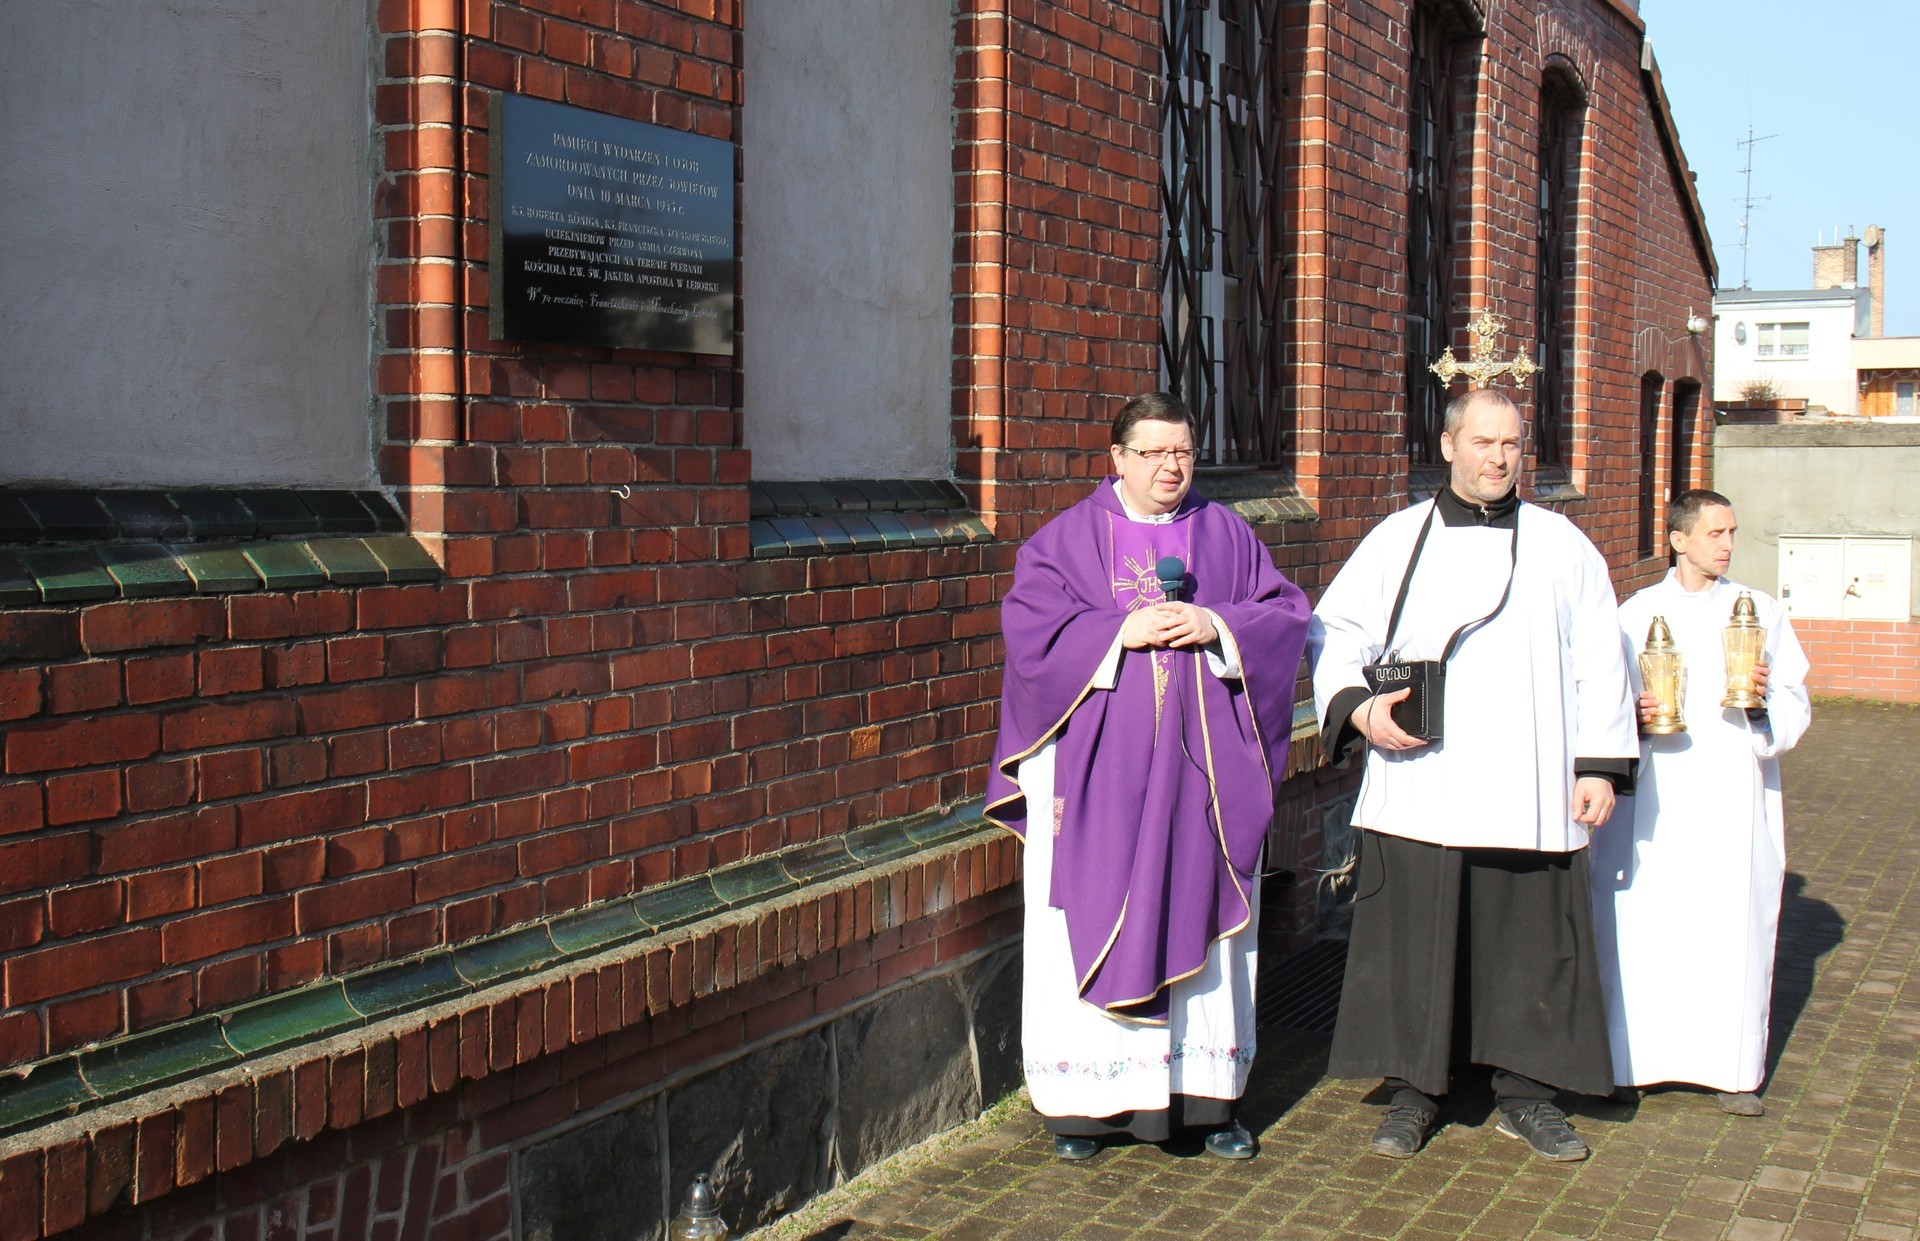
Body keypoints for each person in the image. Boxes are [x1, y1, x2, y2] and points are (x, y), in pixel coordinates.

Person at [1308, 388, 1639, 1162]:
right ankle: (1413, 1091)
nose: (1499, 457)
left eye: (1512, 443)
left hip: (1531, 780)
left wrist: (1598, 765)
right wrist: (1359, 708)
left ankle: (1528, 1091)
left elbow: (1602, 659)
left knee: (1527, 943)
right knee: (1415, 939)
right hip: (1424, 778)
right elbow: (1336, 632)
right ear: (1449, 445)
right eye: (1483, 442)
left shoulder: (1563, 546)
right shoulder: (1398, 539)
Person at [985, 391, 1311, 1162]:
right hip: (1098, 789)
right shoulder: (1065, 542)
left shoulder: (1227, 535)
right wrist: (1117, 631)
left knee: (1209, 929)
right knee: (1087, 916)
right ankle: (1087, 1110)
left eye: (1183, 452)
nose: (1171, 467)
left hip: (1203, 788)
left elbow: (1287, 614)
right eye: (1154, 452)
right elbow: (1030, 637)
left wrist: (1218, 624)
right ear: (1117, 458)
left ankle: (1210, 1102)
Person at [1592, 489, 1811, 1115]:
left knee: (1729, 927)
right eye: (1715, 533)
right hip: (1656, 801)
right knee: (1645, 926)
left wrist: (1763, 705)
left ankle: (1731, 1070)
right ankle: (1633, 1063)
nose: (1728, 544)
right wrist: (1631, 717)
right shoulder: (1634, 615)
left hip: (1731, 796)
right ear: (1678, 539)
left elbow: (1795, 697)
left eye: (1732, 532)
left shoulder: (1760, 612)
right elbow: (1602, 697)